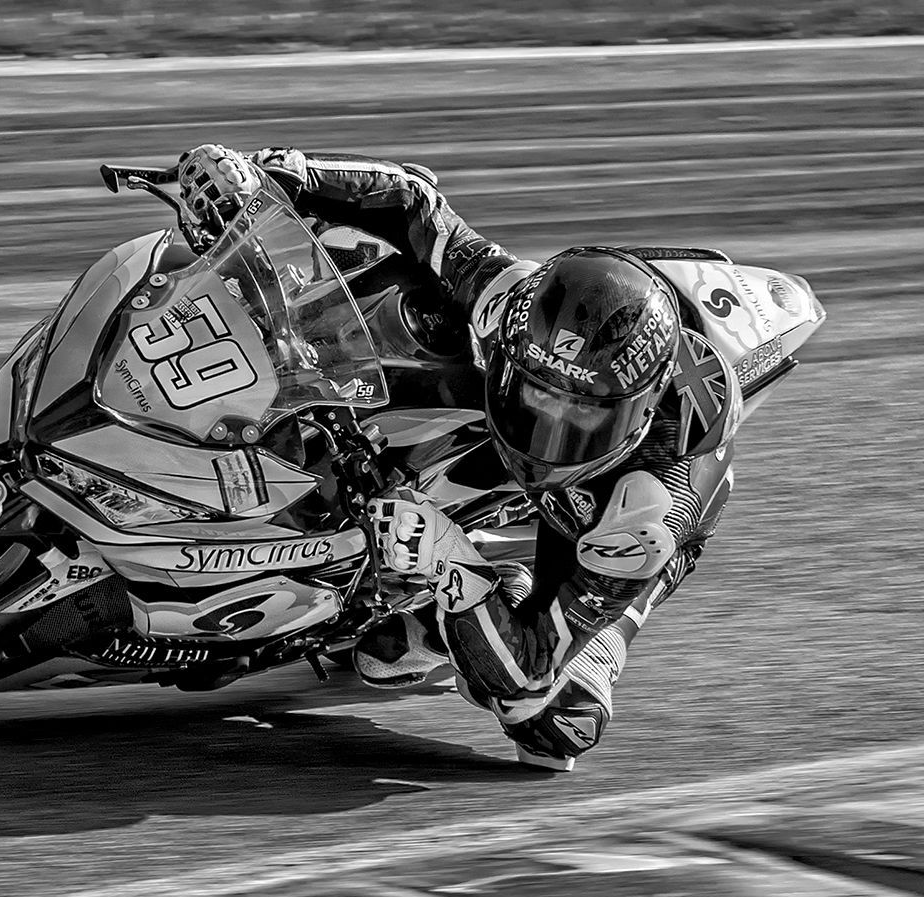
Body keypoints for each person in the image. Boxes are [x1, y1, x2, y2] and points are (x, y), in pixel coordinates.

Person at [174, 144, 737, 772]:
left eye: (577, 418)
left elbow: (526, 670)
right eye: (534, 396)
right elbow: (415, 204)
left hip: (594, 522)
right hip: (529, 411)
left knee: (552, 724)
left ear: (634, 413)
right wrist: (284, 176)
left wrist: (449, 559)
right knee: (381, 302)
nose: (547, 429)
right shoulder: (512, 307)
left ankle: (494, 585)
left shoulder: (642, 518)